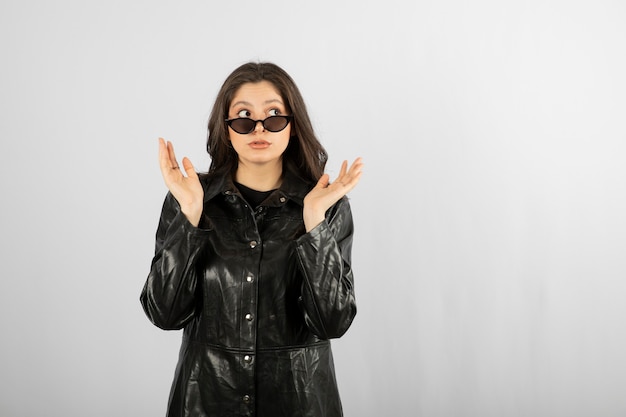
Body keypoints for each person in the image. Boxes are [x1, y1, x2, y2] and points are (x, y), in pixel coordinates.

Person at [140, 61, 363, 417]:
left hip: (298, 403)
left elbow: (332, 323)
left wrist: (314, 224)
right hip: (206, 400)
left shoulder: (325, 206)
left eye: (274, 114)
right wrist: (191, 217)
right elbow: (165, 313)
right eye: (244, 116)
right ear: (227, 129)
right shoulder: (190, 198)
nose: (259, 127)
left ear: (292, 125)